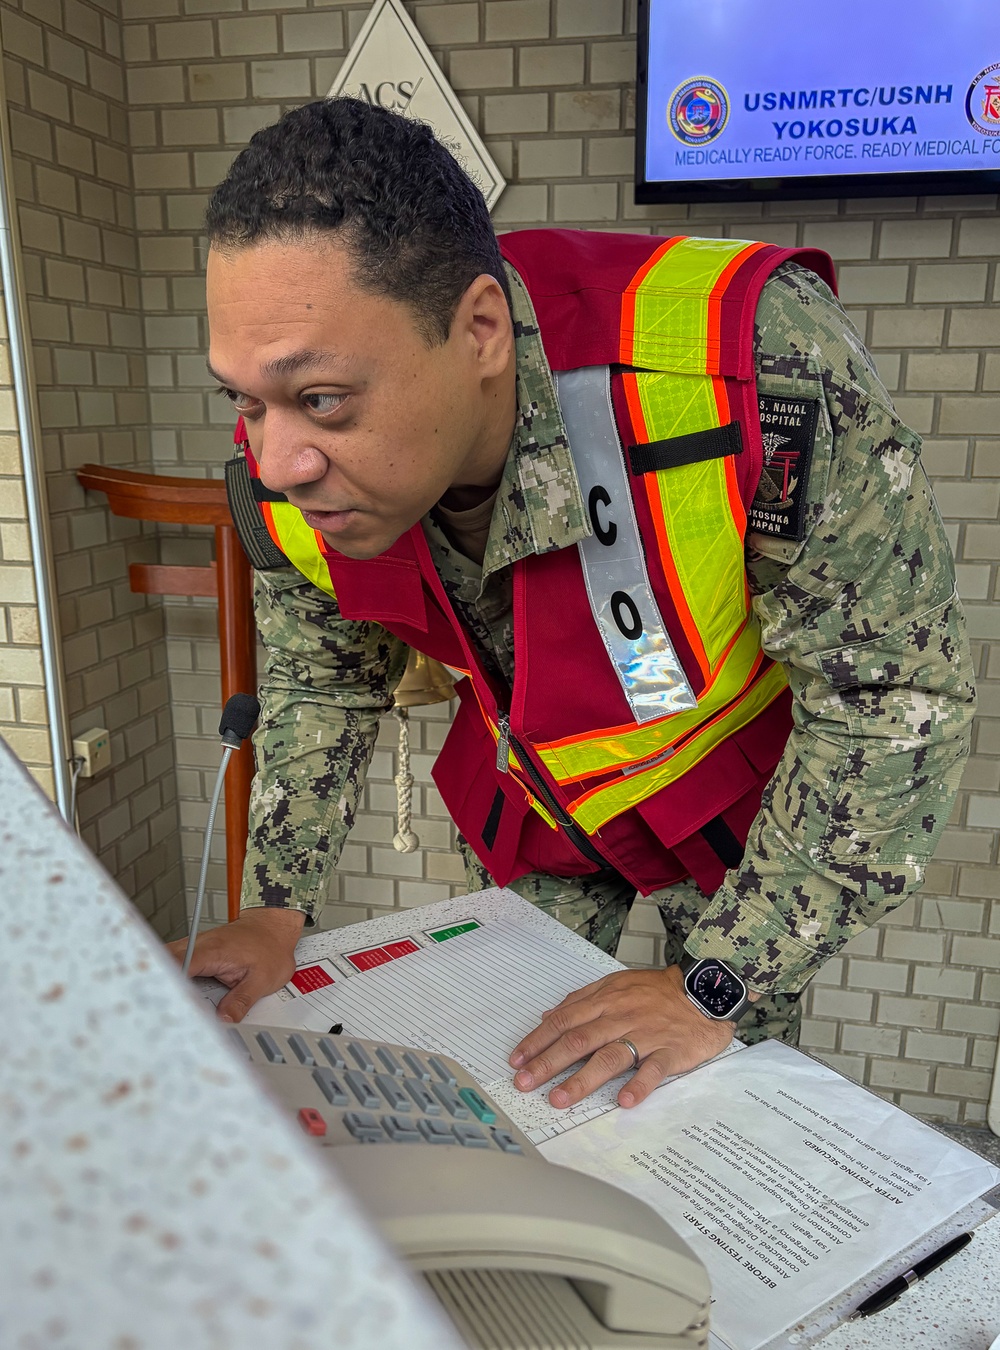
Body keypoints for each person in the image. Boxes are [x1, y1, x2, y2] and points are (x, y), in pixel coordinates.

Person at [172, 97, 974, 1113]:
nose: (280, 459)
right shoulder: (278, 471)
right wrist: (271, 909)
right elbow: (321, 679)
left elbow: (891, 693)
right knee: (515, 1084)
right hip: (541, 808)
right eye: (244, 398)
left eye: (322, 398)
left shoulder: (744, 364)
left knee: (709, 1097)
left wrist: (720, 984)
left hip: (736, 831)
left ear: (477, 331)